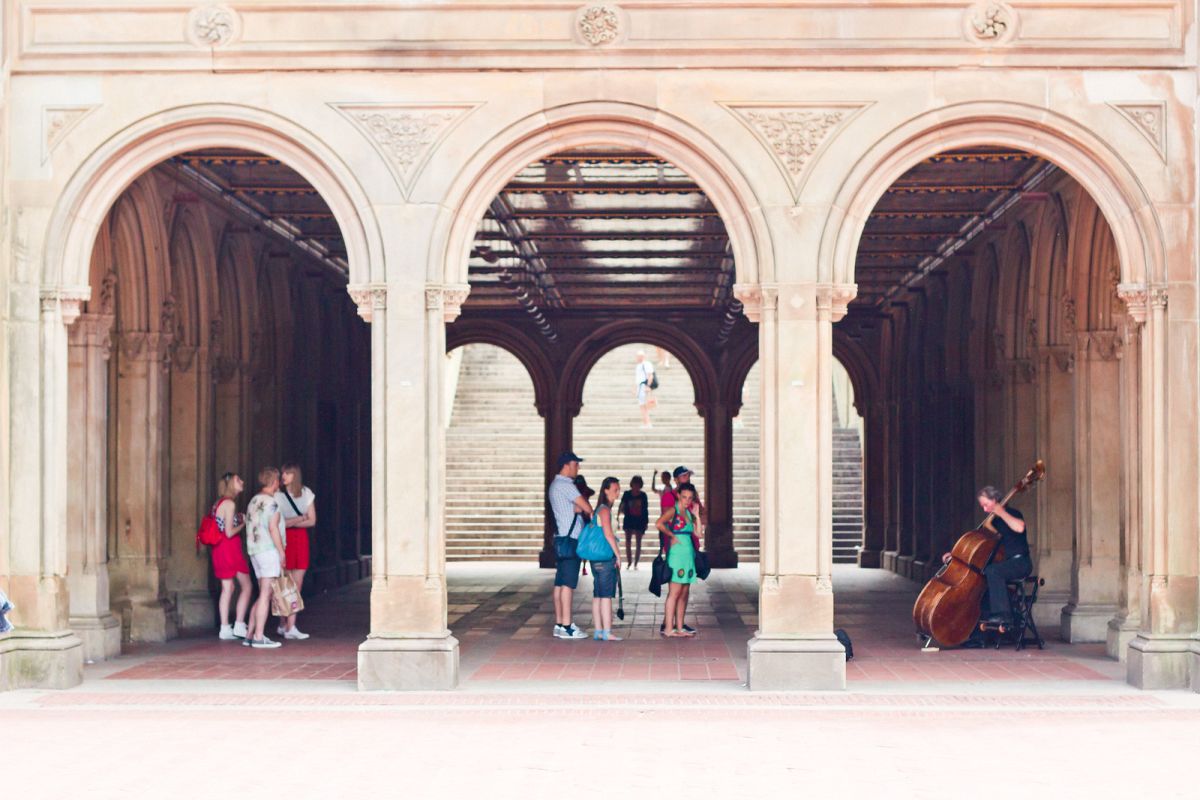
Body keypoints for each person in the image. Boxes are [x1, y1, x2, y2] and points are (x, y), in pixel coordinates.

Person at [941, 485, 1032, 628]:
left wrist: (1001, 512)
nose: (984, 509)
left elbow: (1019, 527)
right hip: (1004, 564)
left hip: (1020, 562)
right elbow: (977, 548)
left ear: (995, 500)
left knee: (992, 571)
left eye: (986, 505)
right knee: (985, 575)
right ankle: (977, 625)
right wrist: (955, 556)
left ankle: (1003, 615)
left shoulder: (1012, 513)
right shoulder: (992, 523)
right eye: (982, 506)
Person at [548, 451, 591, 640]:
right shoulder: (566, 485)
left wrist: (577, 507)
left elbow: (577, 507)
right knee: (568, 584)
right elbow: (587, 508)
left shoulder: (555, 485)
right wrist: (580, 507)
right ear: (567, 465)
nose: (578, 467)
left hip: (561, 538)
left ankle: (560, 623)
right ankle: (567, 626)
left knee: (559, 582)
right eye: (576, 464)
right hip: (570, 539)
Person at [243, 467, 286, 649]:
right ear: (274, 482)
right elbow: (273, 528)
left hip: (254, 551)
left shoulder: (253, 500)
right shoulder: (272, 503)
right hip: (268, 551)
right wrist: (281, 551)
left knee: (262, 594)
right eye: (278, 480)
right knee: (266, 594)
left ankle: (249, 634)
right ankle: (259, 636)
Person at [659, 466, 704, 634]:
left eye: (690, 497)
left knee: (684, 591)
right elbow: (661, 522)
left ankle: (679, 626)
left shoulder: (690, 510)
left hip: (689, 552)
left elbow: (699, 532)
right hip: (677, 553)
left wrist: (697, 515)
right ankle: (668, 627)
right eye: (684, 497)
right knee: (675, 591)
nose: (687, 500)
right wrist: (671, 535)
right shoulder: (672, 505)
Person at [275, 462, 315, 640]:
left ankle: (291, 625)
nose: (284, 476)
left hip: (300, 541)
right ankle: (283, 624)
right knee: (284, 584)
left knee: (296, 585)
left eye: (288, 473)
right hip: (283, 540)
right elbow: (278, 522)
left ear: (295, 475)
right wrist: (300, 518)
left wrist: (289, 522)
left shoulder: (306, 493)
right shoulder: (277, 495)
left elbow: (312, 521)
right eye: (283, 473)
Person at [211, 472, 252, 640]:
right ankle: (240, 625)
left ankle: (225, 627)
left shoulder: (218, 503)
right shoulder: (230, 504)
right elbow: (228, 532)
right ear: (230, 484)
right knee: (247, 586)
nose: (241, 481)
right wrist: (244, 523)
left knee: (228, 588)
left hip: (220, 549)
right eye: (238, 479)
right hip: (230, 548)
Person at [589, 477, 624, 641]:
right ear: (606, 490)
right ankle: (607, 631)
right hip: (605, 557)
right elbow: (609, 534)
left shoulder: (600, 509)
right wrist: (618, 554)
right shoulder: (604, 510)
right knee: (606, 595)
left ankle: (598, 630)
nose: (618, 492)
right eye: (615, 489)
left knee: (598, 594)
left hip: (596, 559)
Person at [619, 475, 649, 569]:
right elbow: (622, 505)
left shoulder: (643, 495)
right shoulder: (627, 494)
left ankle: (636, 562)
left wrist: (646, 522)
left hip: (639, 521)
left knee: (638, 542)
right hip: (629, 519)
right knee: (628, 541)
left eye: (638, 484)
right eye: (635, 484)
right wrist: (618, 514)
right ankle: (629, 561)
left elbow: (645, 509)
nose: (636, 486)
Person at [634, 350, 657, 428]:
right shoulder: (639, 365)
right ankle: (646, 422)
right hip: (640, 387)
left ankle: (647, 423)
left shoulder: (646, 364)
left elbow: (650, 376)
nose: (637, 358)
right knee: (642, 405)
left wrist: (648, 386)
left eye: (638, 356)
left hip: (644, 387)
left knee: (644, 406)